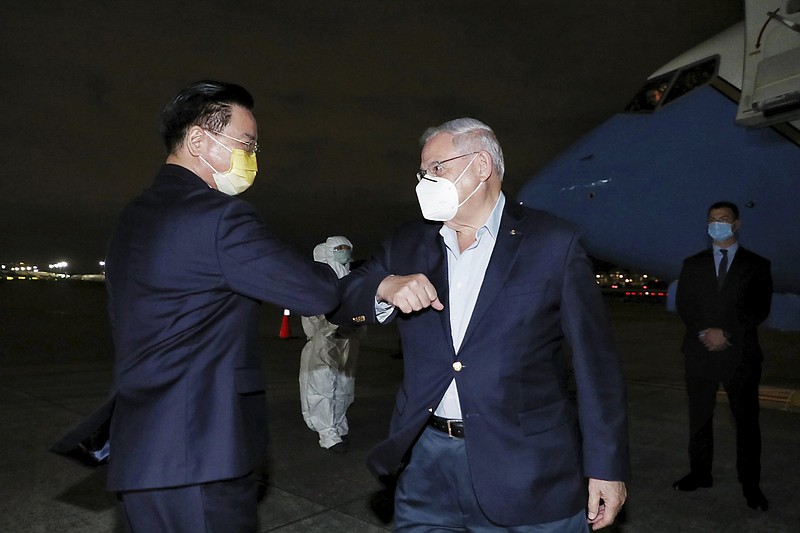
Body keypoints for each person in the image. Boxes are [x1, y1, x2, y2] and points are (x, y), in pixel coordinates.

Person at [54, 81, 339, 532]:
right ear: (198, 141)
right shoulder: (218, 217)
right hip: (200, 458)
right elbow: (316, 293)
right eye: (247, 144)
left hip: (142, 452)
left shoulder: (134, 217)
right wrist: (356, 274)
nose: (253, 156)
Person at [329, 118, 629, 531]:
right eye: (422, 172)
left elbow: (597, 366)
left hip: (528, 468)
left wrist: (606, 466)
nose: (424, 182)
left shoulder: (553, 243)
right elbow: (339, 300)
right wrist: (383, 286)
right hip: (425, 463)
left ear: (481, 165)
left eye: (437, 168)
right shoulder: (407, 243)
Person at [673, 201, 772, 512]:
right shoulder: (693, 264)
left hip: (740, 354)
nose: (718, 224)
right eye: (713, 219)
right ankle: (700, 473)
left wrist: (726, 333)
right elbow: (685, 304)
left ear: (736, 224)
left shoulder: (757, 265)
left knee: (746, 422)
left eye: (724, 219)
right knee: (699, 419)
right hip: (699, 353)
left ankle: (751, 485)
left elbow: (759, 308)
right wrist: (706, 331)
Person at [299, 236, 363, 453]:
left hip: (347, 339)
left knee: (345, 386)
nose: (344, 252)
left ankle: (338, 424)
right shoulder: (317, 280)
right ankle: (327, 434)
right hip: (324, 341)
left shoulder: (350, 278)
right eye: (339, 249)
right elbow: (316, 314)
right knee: (322, 388)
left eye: (347, 248)